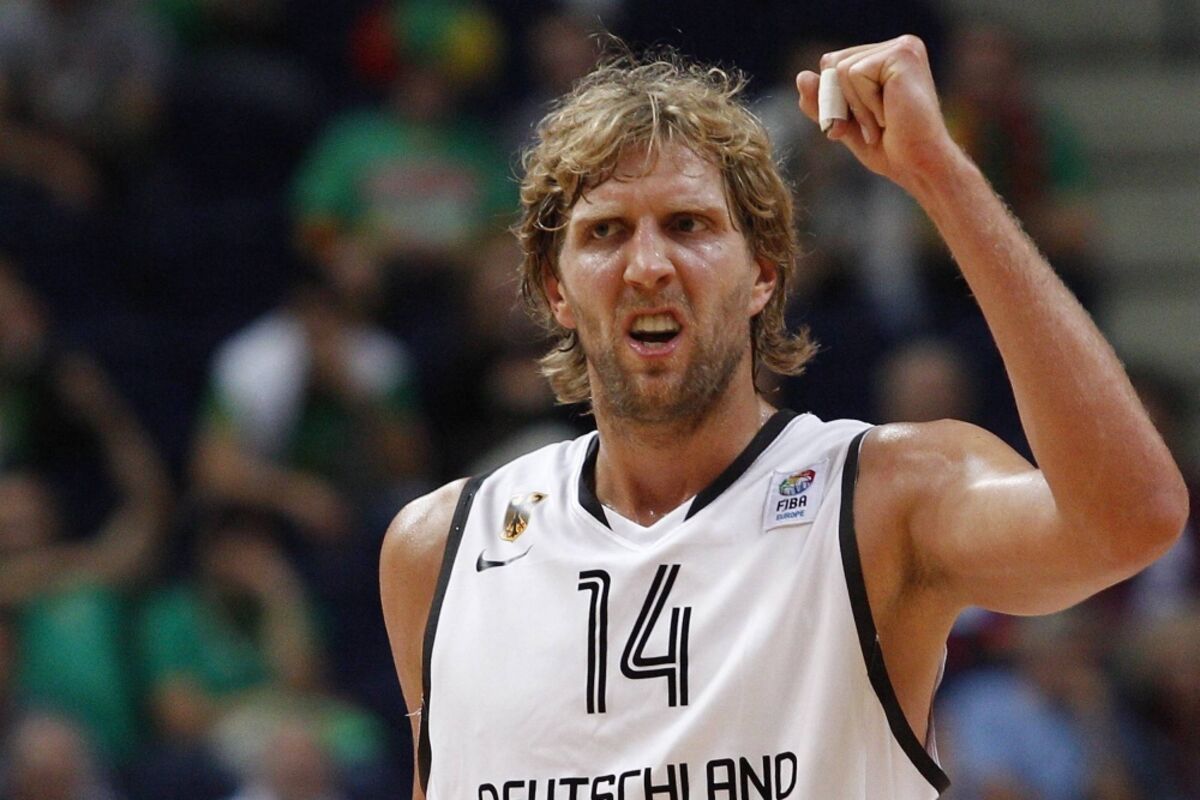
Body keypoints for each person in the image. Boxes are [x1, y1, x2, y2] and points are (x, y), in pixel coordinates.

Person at [379, 37, 1188, 799]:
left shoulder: (883, 499)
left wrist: (942, 176)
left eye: (688, 225)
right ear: (557, 290)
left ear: (763, 274)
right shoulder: (437, 550)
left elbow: (1130, 519)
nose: (648, 265)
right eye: (605, 233)